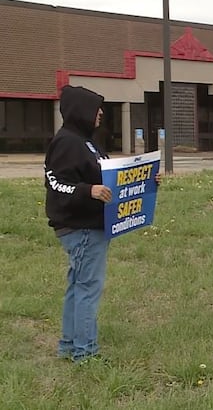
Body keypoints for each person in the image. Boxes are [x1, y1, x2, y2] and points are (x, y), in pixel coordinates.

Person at [45, 85, 161, 363]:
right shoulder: (66, 142)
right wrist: (88, 191)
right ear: (81, 111)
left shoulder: (87, 142)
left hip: (93, 225)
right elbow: (55, 182)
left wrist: (146, 179)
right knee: (87, 288)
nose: (100, 113)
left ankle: (70, 344)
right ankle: (85, 353)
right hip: (81, 227)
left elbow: (109, 177)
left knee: (78, 285)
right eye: (96, 108)